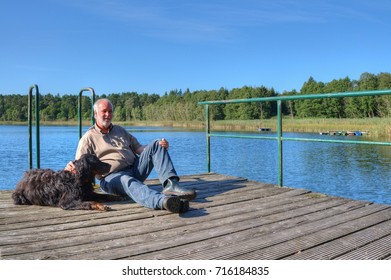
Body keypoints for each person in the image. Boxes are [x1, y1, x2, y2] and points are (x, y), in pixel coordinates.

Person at [65, 98, 196, 213]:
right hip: (112, 178)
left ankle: (170, 185)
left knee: (156, 144)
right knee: (127, 181)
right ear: (95, 114)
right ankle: (163, 201)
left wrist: (159, 145)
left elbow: (139, 148)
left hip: (135, 169)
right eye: (104, 111)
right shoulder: (88, 138)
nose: (108, 114)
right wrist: (70, 167)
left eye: (110, 111)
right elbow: (79, 163)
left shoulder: (120, 130)